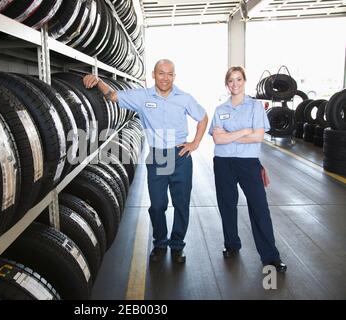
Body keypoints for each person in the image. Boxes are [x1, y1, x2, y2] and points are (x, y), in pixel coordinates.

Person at [83, 59, 208, 263]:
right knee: (157, 205)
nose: (165, 78)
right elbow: (112, 96)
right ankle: (160, 243)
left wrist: (195, 143)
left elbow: (202, 118)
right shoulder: (141, 97)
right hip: (158, 156)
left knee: (181, 204)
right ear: (153, 74)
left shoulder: (184, 98)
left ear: (174, 76)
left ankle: (177, 246)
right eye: (161, 73)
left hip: (181, 156)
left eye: (169, 74)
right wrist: (97, 82)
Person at [209, 66, 287, 272]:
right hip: (223, 162)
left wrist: (230, 135)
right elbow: (217, 138)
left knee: (259, 207)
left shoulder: (255, 106)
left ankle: (270, 257)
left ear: (244, 81)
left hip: (248, 163)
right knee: (227, 204)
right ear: (227, 84)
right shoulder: (220, 110)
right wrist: (244, 130)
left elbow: (258, 136)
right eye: (231, 80)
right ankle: (231, 245)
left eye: (239, 79)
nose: (235, 84)